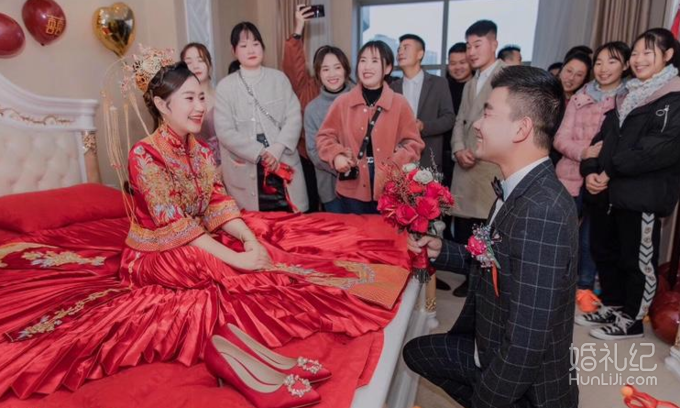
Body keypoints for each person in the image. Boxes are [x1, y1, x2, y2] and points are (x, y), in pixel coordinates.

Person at [0, 50, 413, 399]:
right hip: (156, 252)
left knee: (265, 252)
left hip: (195, 237)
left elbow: (218, 204)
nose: (200, 106)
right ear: (162, 105)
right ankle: (244, 359)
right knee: (227, 272)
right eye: (189, 99)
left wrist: (248, 240)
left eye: (201, 97)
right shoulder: (144, 155)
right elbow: (175, 225)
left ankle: (362, 285)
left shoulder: (198, 151)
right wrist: (240, 260)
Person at [403, 65, 577, 408]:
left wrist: (486, 400)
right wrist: (442, 251)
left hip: (526, 384)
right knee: (417, 352)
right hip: (488, 343)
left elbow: (526, 344)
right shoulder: (515, 188)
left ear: (521, 128)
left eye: (488, 113)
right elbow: (499, 262)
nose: (477, 125)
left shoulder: (543, 210)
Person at [579, 28, 680, 340]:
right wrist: (590, 170)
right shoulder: (627, 95)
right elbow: (601, 140)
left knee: (637, 261)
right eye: (635, 53)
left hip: (642, 195)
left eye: (648, 52)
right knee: (607, 253)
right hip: (609, 194)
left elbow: (655, 150)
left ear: (668, 55)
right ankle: (613, 306)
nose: (638, 59)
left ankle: (633, 320)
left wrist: (609, 171)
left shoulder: (673, 97)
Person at [554, 41, 630, 313]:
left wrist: (601, 163)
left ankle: (584, 289)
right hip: (569, 177)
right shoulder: (580, 97)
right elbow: (560, 139)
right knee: (560, 236)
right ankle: (554, 284)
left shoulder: (630, 98)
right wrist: (585, 152)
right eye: (599, 62)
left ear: (626, 65)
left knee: (592, 241)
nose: (603, 68)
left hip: (605, 180)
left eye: (612, 61)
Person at [316, 40, 424, 214]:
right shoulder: (342, 102)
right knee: (355, 230)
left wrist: (395, 164)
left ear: (387, 68)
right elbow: (324, 137)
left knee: (386, 230)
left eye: (374, 61)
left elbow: (414, 143)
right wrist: (336, 155)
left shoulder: (399, 103)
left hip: (390, 184)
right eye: (363, 60)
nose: (367, 67)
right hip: (353, 184)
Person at [215, 22, 309, 213]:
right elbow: (225, 131)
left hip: (281, 158)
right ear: (234, 51)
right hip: (246, 163)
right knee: (256, 223)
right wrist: (259, 152)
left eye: (256, 43)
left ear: (263, 47)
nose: (251, 50)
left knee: (291, 219)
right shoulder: (225, 86)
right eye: (243, 45)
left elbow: (294, 116)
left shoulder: (279, 79)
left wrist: (277, 148)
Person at [449, 20, 505, 297]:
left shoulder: (508, 77)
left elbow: (508, 123)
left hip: (489, 166)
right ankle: (470, 278)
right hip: (465, 165)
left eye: (477, 45)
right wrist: (458, 148)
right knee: (465, 229)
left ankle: (485, 283)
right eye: (468, 45)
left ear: (494, 44)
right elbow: (460, 120)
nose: (471, 52)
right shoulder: (471, 82)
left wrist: (480, 150)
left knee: (488, 228)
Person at [283, 5, 353, 213]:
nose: (332, 73)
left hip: (360, 183)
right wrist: (298, 29)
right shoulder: (310, 96)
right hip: (316, 166)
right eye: (325, 68)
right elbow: (294, 66)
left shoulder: (358, 95)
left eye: (337, 67)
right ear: (318, 72)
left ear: (346, 69)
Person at [391, 34, 455, 169]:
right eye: (399, 49)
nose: (400, 52)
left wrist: (423, 126)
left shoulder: (439, 84)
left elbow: (449, 119)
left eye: (406, 48)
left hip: (429, 159)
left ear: (420, 54)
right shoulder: (392, 88)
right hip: (399, 159)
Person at [181, 43, 220, 165]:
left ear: (210, 64)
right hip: (195, 165)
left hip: (226, 163)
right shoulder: (181, 102)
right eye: (189, 62)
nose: (195, 66)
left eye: (200, 60)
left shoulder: (222, 96)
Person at [446, 42, 474, 116]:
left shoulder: (479, 86)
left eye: (462, 62)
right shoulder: (442, 87)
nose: (457, 67)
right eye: (453, 63)